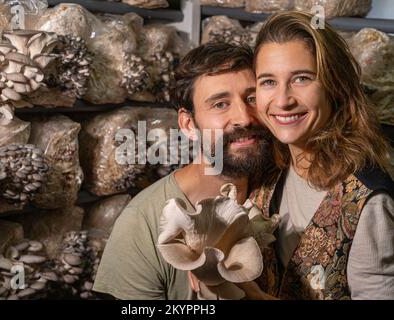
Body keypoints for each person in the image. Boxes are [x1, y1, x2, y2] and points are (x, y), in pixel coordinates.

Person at [93, 42, 274, 299]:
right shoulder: (143, 222)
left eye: (252, 98)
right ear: (188, 124)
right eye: (220, 104)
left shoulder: (278, 188)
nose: (244, 117)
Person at [249, 11, 394, 300]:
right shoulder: (267, 170)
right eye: (268, 81)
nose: (283, 100)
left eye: (301, 78)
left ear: (335, 86)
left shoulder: (367, 203)